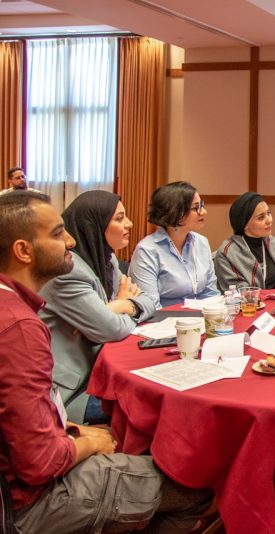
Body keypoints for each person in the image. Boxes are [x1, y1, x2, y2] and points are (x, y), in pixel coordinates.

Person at [0, 191, 213, 533]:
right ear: (23, 251)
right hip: (32, 502)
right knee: (194, 487)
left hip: (30, 472)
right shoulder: (20, 327)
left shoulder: (12, 306)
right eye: (57, 234)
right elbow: (40, 463)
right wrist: (86, 443)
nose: (70, 240)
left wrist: (72, 433)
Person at [39, 190, 156, 424]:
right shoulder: (67, 271)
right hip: (75, 391)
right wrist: (115, 310)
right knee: (152, 407)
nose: (130, 223)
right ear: (94, 225)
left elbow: (149, 300)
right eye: (119, 218)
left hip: (100, 371)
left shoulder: (107, 259)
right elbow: (111, 329)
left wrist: (117, 306)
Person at [129, 181, 219, 308]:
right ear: (175, 212)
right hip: (164, 323)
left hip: (201, 320)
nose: (203, 212)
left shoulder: (201, 243)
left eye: (202, 205)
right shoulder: (147, 250)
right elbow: (150, 306)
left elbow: (210, 294)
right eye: (196, 208)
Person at [214, 191, 275, 290]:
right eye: (261, 218)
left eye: (269, 213)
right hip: (247, 305)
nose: (269, 220)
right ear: (244, 224)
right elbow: (237, 293)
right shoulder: (227, 254)